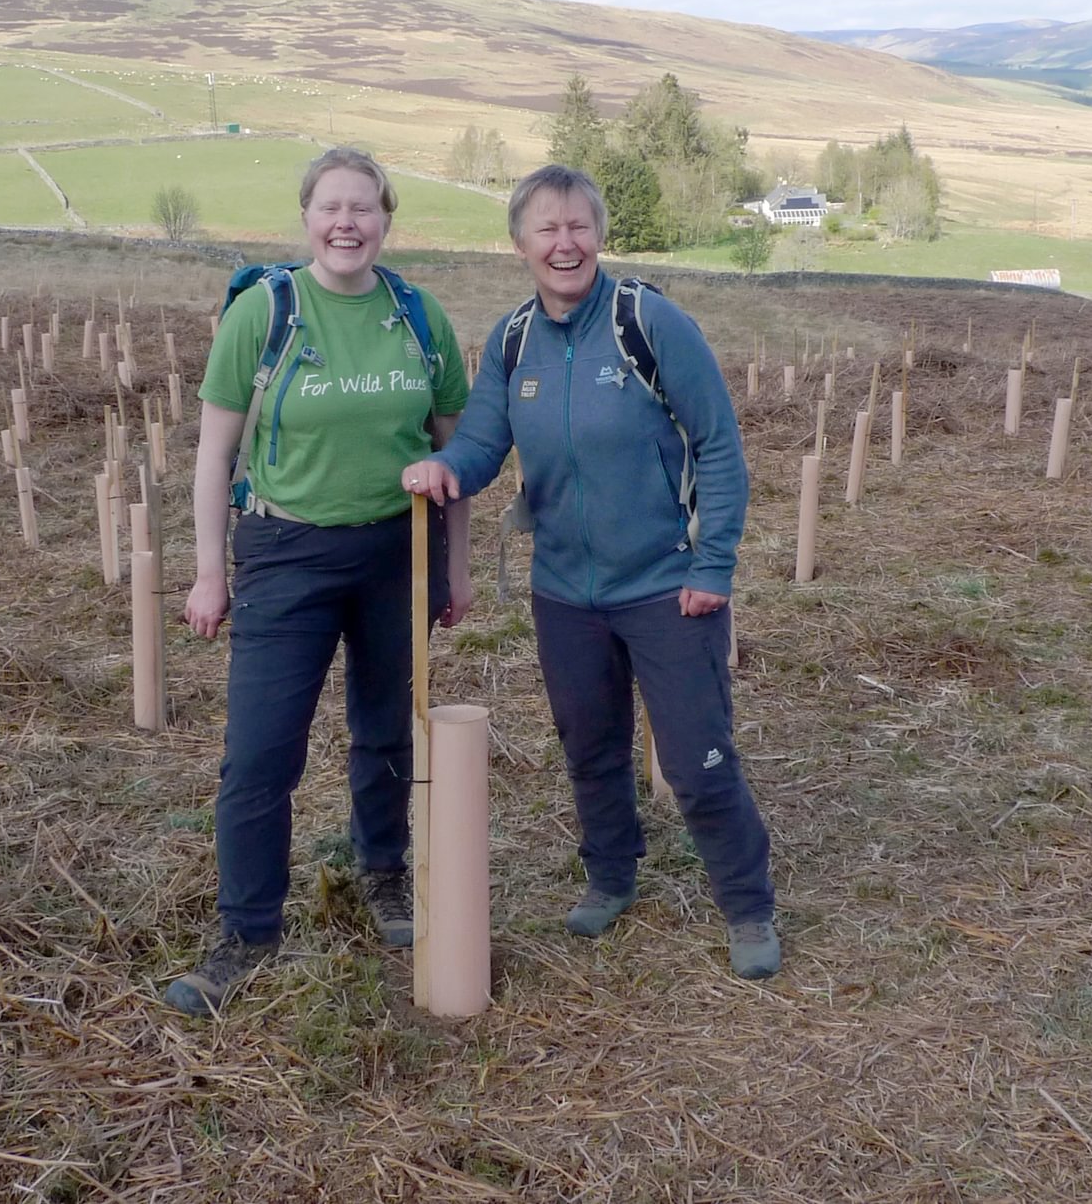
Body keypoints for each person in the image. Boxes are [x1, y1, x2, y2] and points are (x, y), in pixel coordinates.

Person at [401, 163, 780, 980]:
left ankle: (748, 906)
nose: (564, 243)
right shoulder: (511, 341)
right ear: (520, 243)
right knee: (590, 746)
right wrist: (444, 469)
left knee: (696, 759)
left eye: (578, 226)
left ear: (599, 235)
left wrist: (714, 563)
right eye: (547, 228)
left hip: (668, 585)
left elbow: (717, 443)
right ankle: (612, 876)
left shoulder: (648, 322)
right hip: (564, 592)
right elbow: (481, 442)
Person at [166, 146, 472, 1016]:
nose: (348, 222)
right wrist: (207, 573)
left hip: (393, 554)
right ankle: (246, 934)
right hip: (284, 553)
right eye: (331, 207)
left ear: (386, 219)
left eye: (365, 207)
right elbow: (213, 455)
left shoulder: (417, 316)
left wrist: (453, 567)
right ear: (306, 217)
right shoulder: (264, 313)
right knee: (261, 755)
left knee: (386, 734)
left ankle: (382, 875)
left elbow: (454, 454)